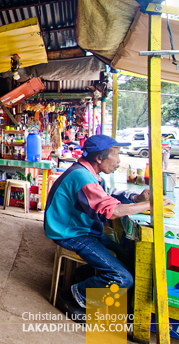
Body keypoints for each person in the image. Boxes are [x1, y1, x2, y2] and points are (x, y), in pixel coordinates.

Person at [44, 134, 172, 322]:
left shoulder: (88, 173)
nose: (119, 161)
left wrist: (137, 200)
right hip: (72, 233)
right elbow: (112, 212)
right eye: (116, 155)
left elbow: (106, 198)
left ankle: (81, 276)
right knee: (122, 278)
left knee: (129, 257)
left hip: (83, 229)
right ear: (99, 158)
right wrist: (152, 206)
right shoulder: (82, 177)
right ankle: (71, 296)